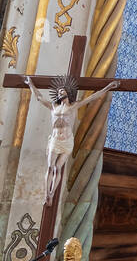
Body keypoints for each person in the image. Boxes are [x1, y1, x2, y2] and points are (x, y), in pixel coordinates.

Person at [24, 72, 120, 205]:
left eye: (61, 91)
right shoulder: (54, 106)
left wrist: (108, 87)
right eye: (57, 92)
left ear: (67, 92)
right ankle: (47, 194)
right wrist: (31, 84)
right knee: (50, 166)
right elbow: (39, 97)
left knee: (58, 167)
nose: (59, 93)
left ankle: (52, 193)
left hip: (67, 142)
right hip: (55, 140)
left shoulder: (74, 106)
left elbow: (92, 97)